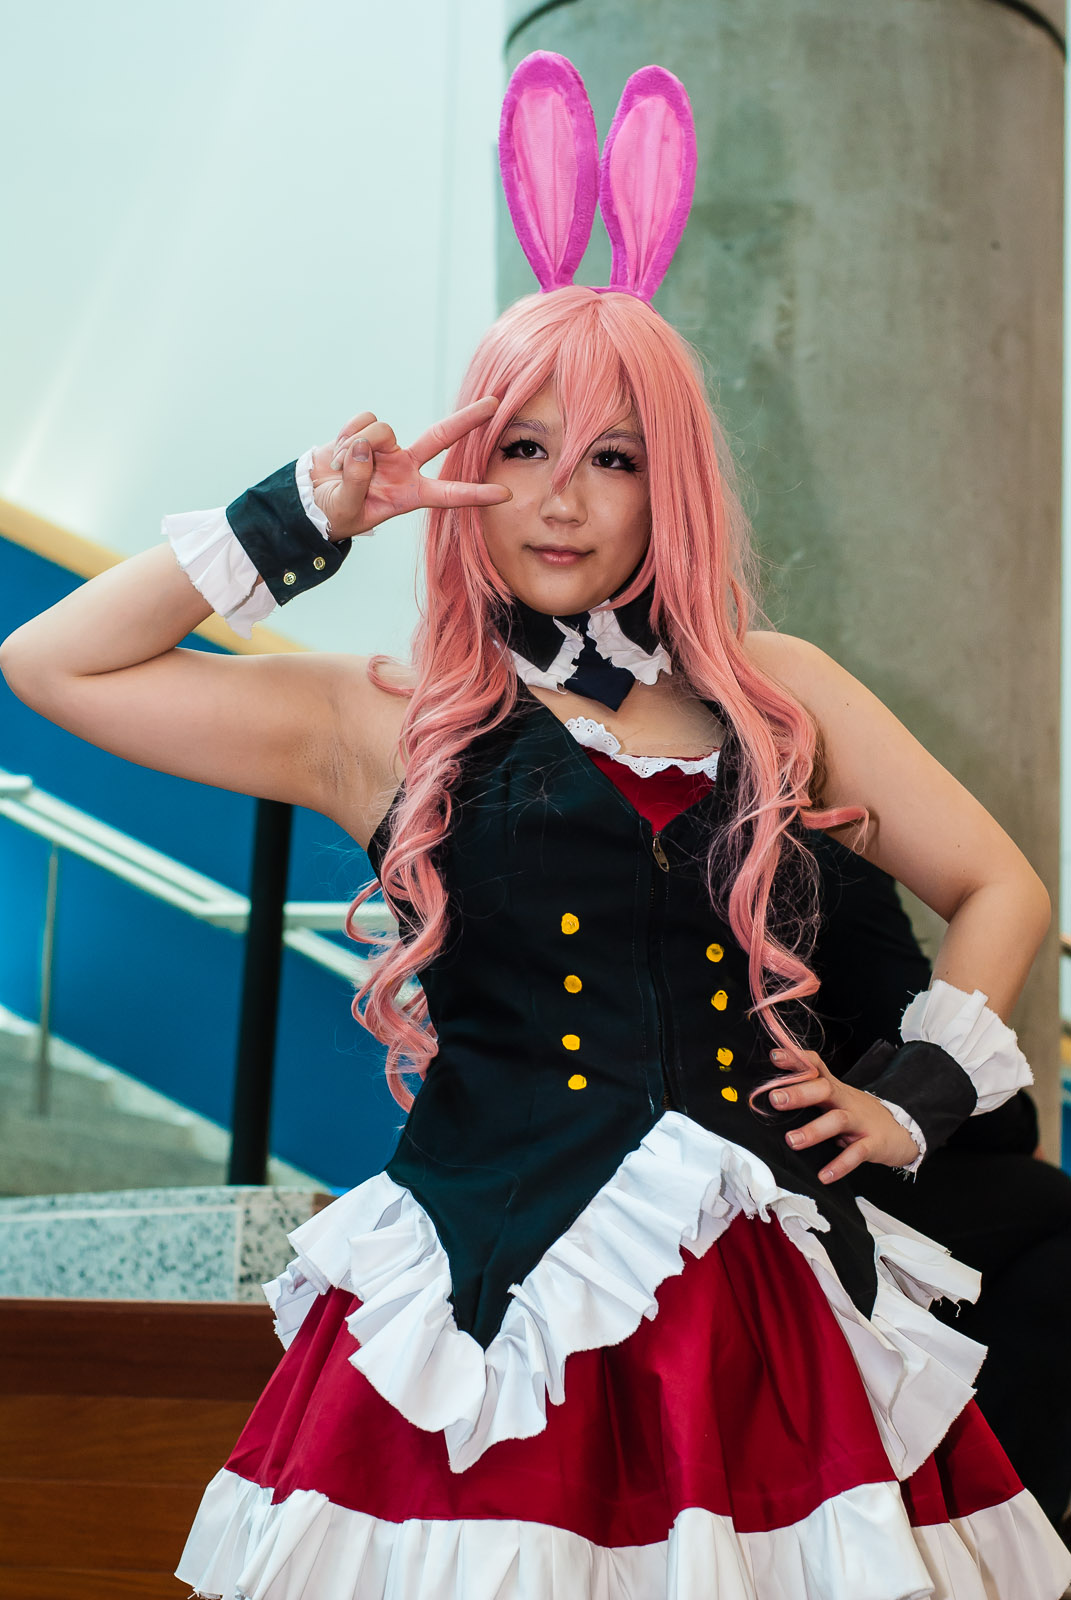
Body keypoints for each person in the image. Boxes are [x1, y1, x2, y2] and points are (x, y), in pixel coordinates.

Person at [2, 50, 1068, 1600]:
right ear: (469, 469)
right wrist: (306, 511)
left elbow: (997, 885)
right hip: (474, 1306)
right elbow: (51, 662)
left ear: (664, 488)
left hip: (750, 1311)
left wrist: (903, 1101)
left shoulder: (772, 688)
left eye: (609, 459)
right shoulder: (381, 714)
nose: (561, 498)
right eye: (522, 450)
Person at [808, 833, 1071, 1534]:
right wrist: (1009, 1123)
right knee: (1053, 1209)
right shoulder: (814, 852)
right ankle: (1002, 1533)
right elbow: (925, 1055)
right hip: (795, 1173)